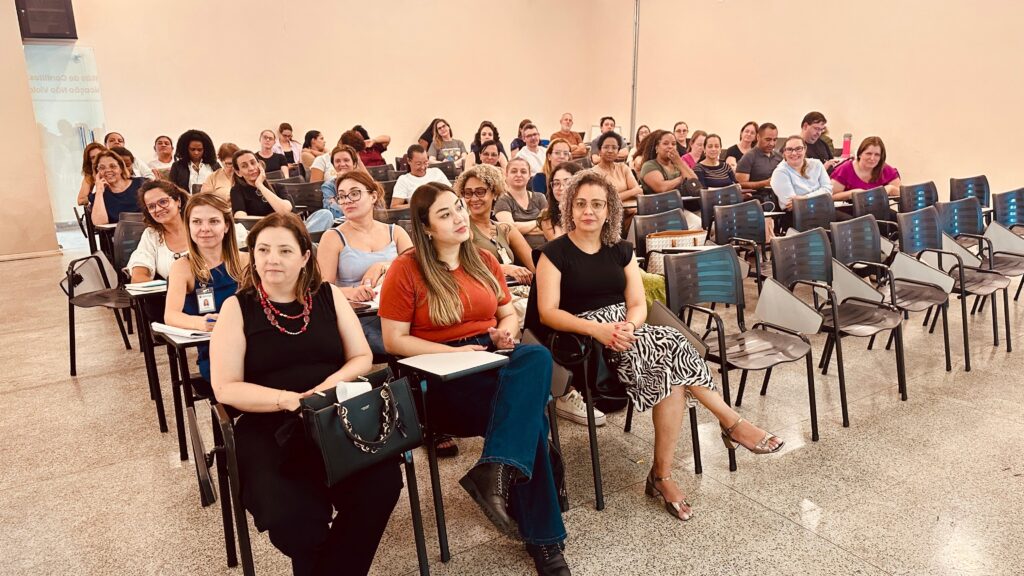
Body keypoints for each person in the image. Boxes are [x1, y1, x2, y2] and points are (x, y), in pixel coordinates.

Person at [534, 171, 784, 522]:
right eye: (580, 204)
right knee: (670, 348)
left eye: (597, 204)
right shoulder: (553, 253)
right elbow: (548, 313)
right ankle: (726, 427)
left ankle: (665, 472)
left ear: (609, 211)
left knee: (670, 354)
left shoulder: (620, 250)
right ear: (569, 208)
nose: (588, 211)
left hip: (627, 329)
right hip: (583, 341)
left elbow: (637, 303)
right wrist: (601, 330)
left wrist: (629, 326)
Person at [378, 183, 571, 575]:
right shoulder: (407, 268)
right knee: (530, 421)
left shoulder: (483, 258)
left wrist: (503, 333)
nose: (460, 217)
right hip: (437, 379)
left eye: (460, 208)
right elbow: (393, 340)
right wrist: (453, 353)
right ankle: (545, 543)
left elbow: (507, 314)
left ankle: (495, 470)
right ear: (427, 227)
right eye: (446, 214)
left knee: (534, 354)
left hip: (488, 358)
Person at [210, 211, 399, 576]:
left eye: (284, 250)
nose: (271, 259)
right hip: (269, 424)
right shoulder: (237, 308)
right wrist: (288, 400)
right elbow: (226, 387)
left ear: (304, 257)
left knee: (381, 484)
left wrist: (318, 393)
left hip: (332, 414)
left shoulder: (327, 295)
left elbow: (361, 356)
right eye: (262, 250)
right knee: (295, 519)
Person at [316, 170, 412, 357]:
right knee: (394, 341)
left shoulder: (396, 232)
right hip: (360, 316)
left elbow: (417, 270)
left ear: (373, 196)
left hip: (399, 311)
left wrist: (384, 265)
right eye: (342, 196)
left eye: (354, 193)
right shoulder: (333, 237)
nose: (347, 201)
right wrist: (352, 292)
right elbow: (323, 289)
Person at [164, 192, 247, 385]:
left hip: (253, 342)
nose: (205, 229)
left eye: (214, 221)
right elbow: (171, 315)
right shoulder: (183, 267)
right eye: (197, 222)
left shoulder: (246, 261)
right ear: (189, 226)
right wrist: (203, 323)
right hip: (217, 352)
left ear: (226, 226)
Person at [455, 164, 534, 285]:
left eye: (480, 192)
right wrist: (503, 268)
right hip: (484, 293)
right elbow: (464, 268)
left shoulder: (506, 229)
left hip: (516, 290)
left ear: (494, 193)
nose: (474, 198)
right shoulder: (463, 229)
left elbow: (534, 265)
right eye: (468, 193)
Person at [230, 149, 335, 233]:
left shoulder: (278, 187)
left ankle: (300, 242)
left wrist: (260, 186)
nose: (251, 168)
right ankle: (301, 244)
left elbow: (285, 211)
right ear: (238, 172)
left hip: (294, 228)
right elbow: (240, 218)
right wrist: (273, 222)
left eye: (253, 163)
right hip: (268, 233)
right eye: (244, 166)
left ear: (260, 165)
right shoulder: (237, 191)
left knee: (325, 214)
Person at [127, 180, 190, 283]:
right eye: (151, 206)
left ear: (178, 201)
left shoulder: (199, 226)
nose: (158, 209)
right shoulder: (151, 234)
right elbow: (138, 275)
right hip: (171, 296)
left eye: (163, 202)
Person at [638, 130, 701, 228]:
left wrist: (679, 161)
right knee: (696, 224)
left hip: (679, 208)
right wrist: (682, 179)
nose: (670, 147)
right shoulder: (649, 165)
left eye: (674, 144)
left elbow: (695, 183)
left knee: (708, 221)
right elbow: (661, 188)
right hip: (658, 211)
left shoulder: (676, 164)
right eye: (665, 143)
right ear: (657, 148)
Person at [770, 135, 833, 212]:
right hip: (797, 215)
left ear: (805, 149)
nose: (794, 153)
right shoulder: (779, 172)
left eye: (798, 149)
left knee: (848, 220)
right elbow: (793, 205)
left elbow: (828, 191)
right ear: (784, 152)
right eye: (789, 149)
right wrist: (819, 198)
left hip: (823, 210)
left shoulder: (817, 164)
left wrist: (805, 198)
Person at [830, 136, 902, 200]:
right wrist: (851, 194)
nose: (872, 158)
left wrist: (891, 189)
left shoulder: (885, 169)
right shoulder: (845, 169)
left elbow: (902, 194)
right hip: (851, 210)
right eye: (868, 154)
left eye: (877, 155)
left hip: (878, 209)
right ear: (860, 154)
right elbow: (829, 197)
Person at [88, 150, 146, 225]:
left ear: (121, 168)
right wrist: (99, 191)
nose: (108, 170)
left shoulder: (141, 184)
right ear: (97, 172)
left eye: (113, 166)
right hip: (119, 235)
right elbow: (100, 223)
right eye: (102, 168)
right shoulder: (98, 196)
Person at [495, 157, 547, 239]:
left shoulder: (540, 197)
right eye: (514, 171)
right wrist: (538, 222)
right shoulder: (502, 201)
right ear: (506, 174)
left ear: (529, 175)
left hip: (546, 247)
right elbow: (510, 229)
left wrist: (520, 228)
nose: (518, 175)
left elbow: (549, 225)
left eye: (523, 171)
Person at [736, 123, 782, 205]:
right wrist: (765, 183)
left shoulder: (779, 157)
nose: (772, 143)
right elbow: (740, 184)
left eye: (774, 140)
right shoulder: (748, 157)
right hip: (758, 201)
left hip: (779, 198)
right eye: (768, 140)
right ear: (758, 137)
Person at [320, 145, 369, 219]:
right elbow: (332, 212)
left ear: (354, 164)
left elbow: (375, 208)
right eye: (337, 161)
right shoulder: (328, 186)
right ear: (333, 165)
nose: (342, 164)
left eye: (346, 160)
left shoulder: (364, 183)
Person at [592, 132, 641, 203]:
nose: (610, 151)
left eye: (614, 147)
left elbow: (639, 192)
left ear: (618, 151)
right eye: (606, 147)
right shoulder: (594, 173)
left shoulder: (623, 167)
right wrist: (632, 192)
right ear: (599, 151)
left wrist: (618, 196)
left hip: (633, 210)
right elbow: (604, 199)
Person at [539, 162, 583, 241]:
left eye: (567, 182)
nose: (561, 187)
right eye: (556, 183)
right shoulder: (547, 216)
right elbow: (556, 247)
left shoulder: (589, 212)